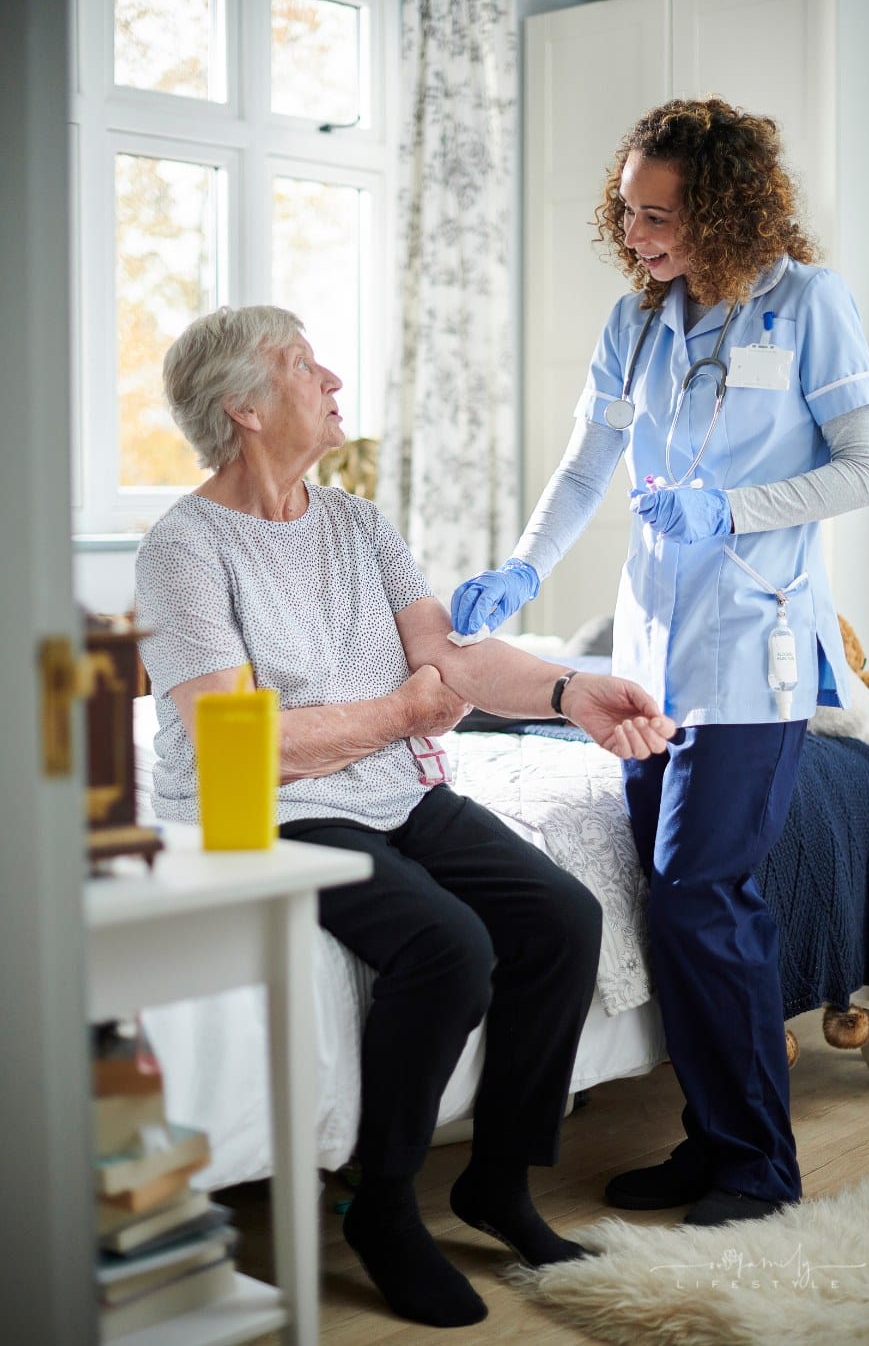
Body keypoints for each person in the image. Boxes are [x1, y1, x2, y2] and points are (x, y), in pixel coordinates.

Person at [135, 304, 675, 1329]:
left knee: (562, 919)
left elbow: (454, 660)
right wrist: (403, 712)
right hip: (269, 810)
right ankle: (382, 1202)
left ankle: (498, 1181)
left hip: (394, 787)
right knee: (447, 946)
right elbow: (227, 738)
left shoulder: (354, 522)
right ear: (243, 407)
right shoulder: (184, 548)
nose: (332, 378)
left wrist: (574, 695)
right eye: (303, 365)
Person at [451, 97, 869, 1228]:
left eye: (660, 216)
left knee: (705, 892)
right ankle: (712, 1141)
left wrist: (729, 509)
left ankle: (757, 1163)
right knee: (674, 899)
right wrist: (520, 572)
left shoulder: (809, 306)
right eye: (629, 213)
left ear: (728, 210)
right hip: (648, 658)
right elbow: (585, 464)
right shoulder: (638, 320)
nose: (637, 235)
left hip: (757, 652)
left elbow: (863, 471)